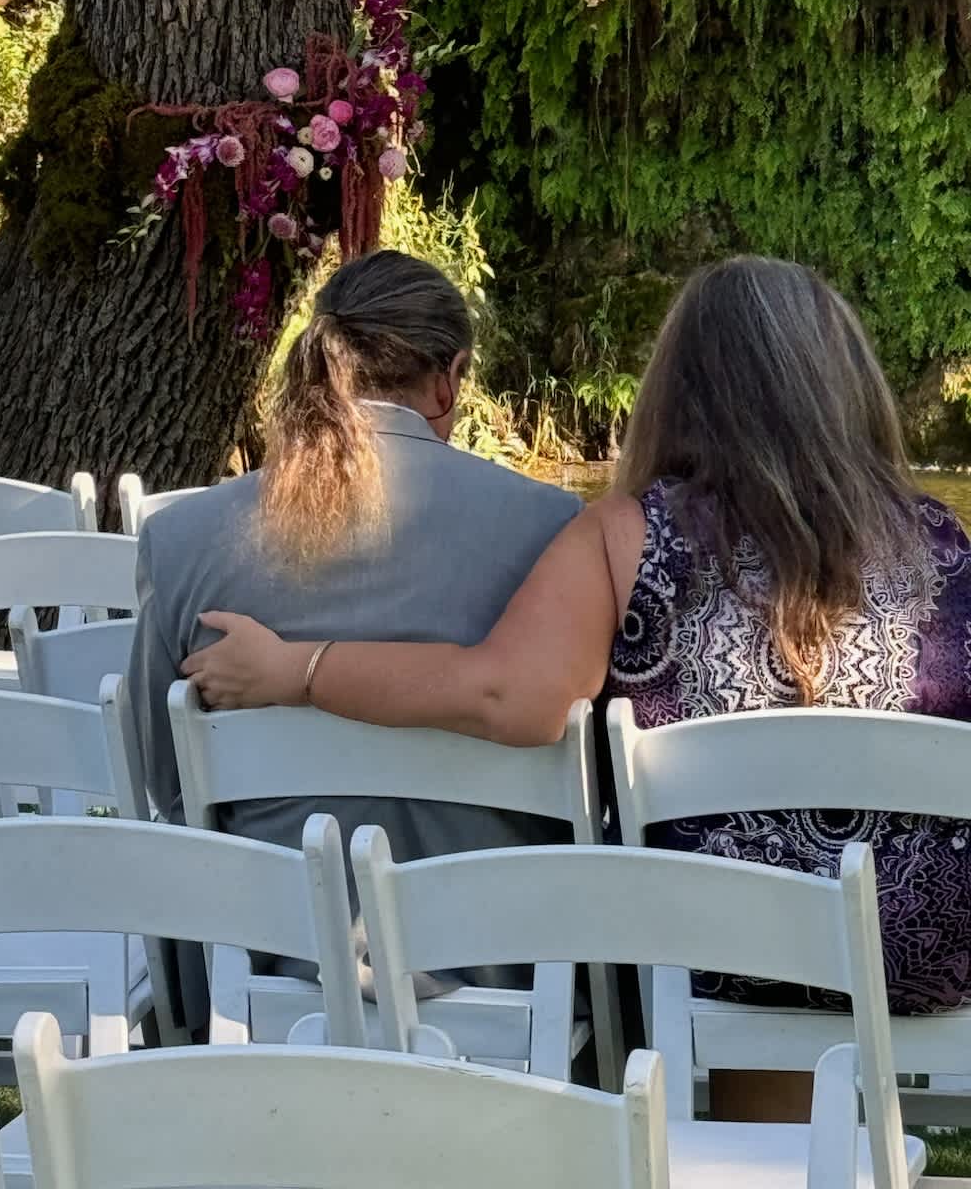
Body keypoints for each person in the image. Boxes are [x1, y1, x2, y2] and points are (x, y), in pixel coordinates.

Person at [186, 256, 971, 1055]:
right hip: (926, 944)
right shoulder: (942, 543)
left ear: (681, 389)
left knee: (727, 892)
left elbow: (507, 698)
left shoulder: (631, 535)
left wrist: (301, 669)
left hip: (714, 951)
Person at [129, 248, 583, 1031]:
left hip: (260, 974)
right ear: (449, 379)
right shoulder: (554, 530)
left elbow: (162, 775)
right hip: (509, 974)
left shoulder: (184, 540)